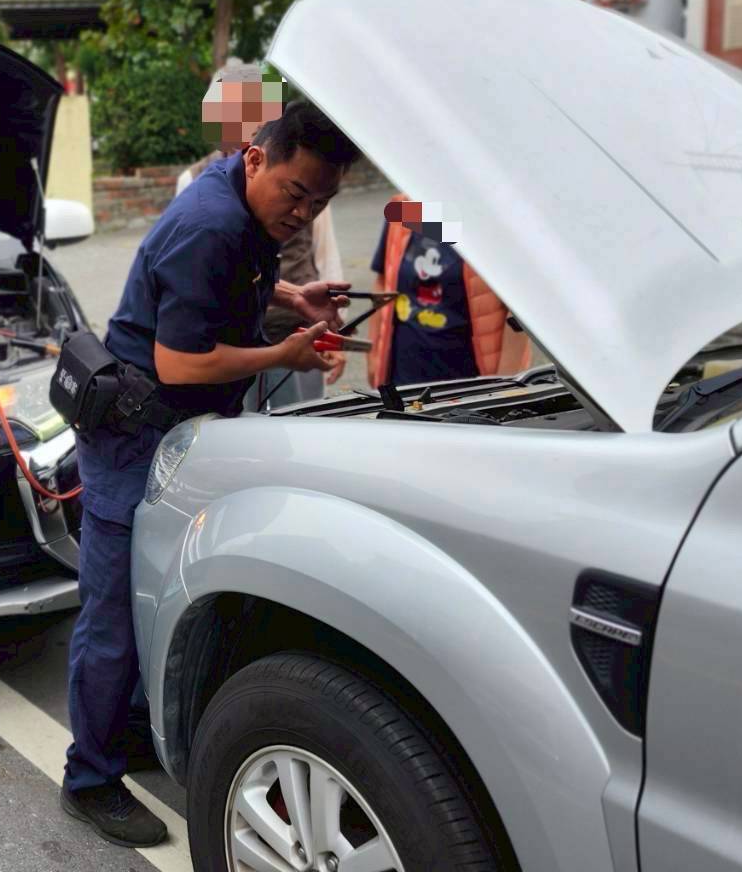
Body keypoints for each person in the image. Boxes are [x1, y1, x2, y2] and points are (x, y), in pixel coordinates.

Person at [60, 100, 358, 848]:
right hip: (133, 436)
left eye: (320, 202)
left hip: (180, 433)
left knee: (159, 588)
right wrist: (283, 354)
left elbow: (233, 280)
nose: (303, 213)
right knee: (112, 615)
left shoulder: (240, 202)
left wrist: (292, 298)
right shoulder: (212, 224)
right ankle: (88, 777)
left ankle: (126, 729)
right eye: (296, 193)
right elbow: (180, 362)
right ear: (256, 157)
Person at [177, 62, 348, 408]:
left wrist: (335, 335)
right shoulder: (193, 182)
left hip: (296, 333)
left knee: (300, 421)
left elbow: (326, 259)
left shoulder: (304, 177)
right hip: (227, 344)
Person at [367, 192, 530, 387]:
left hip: (472, 381)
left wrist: (507, 383)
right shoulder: (404, 208)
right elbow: (383, 281)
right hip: (404, 376)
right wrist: (373, 355)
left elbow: (519, 308)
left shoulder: (491, 218)